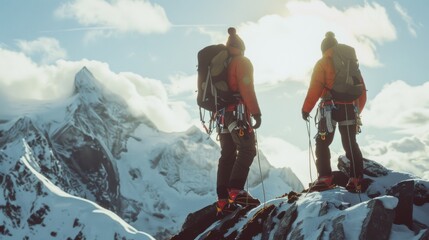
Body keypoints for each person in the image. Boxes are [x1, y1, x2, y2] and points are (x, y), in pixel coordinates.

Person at [301, 32, 367, 193]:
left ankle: (325, 177)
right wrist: (357, 110)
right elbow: (362, 91)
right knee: (350, 142)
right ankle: (356, 178)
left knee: (322, 142)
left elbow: (315, 88)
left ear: (323, 49)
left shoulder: (323, 62)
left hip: (329, 109)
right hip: (350, 108)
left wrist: (306, 109)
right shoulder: (351, 63)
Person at [216, 27, 262, 214]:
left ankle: (222, 201)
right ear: (242, 48)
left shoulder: (221, 63)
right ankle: (236, 190)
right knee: (247, 149)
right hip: (238, 112)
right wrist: (256, 112)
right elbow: (247, 89)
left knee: (227, 153)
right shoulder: (241, 62)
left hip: (221, 115)